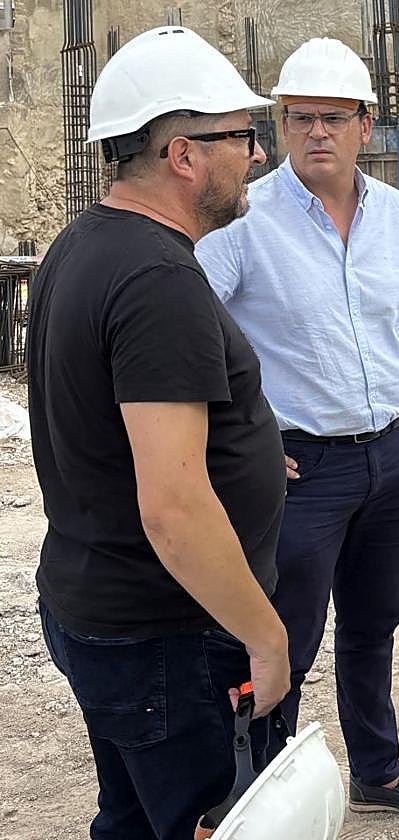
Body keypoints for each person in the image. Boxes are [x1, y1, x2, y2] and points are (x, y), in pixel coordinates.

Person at [194, 37, 399, 823]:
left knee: (374, 623)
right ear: (279, 126)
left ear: (366, 126)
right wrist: (237, 440)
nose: (317, 133)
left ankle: (375, 772)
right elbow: (191, 326)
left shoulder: (397, 217)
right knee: (282, 641)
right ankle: (263, 801)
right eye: (299, 118)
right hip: (299, 469)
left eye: (333, 118)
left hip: (390, 455)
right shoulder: (245, 220)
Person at [27, 25, 292, 839]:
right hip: (167, 640)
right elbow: (172, 508)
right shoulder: (158, 280)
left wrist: (241, 456)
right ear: (183, 155)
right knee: (206, 821)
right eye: (242, 137)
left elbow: (107, 432)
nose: (255, 155)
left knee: (135, 821)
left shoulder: (83, 244)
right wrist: (267, 635)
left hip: (107, 617)